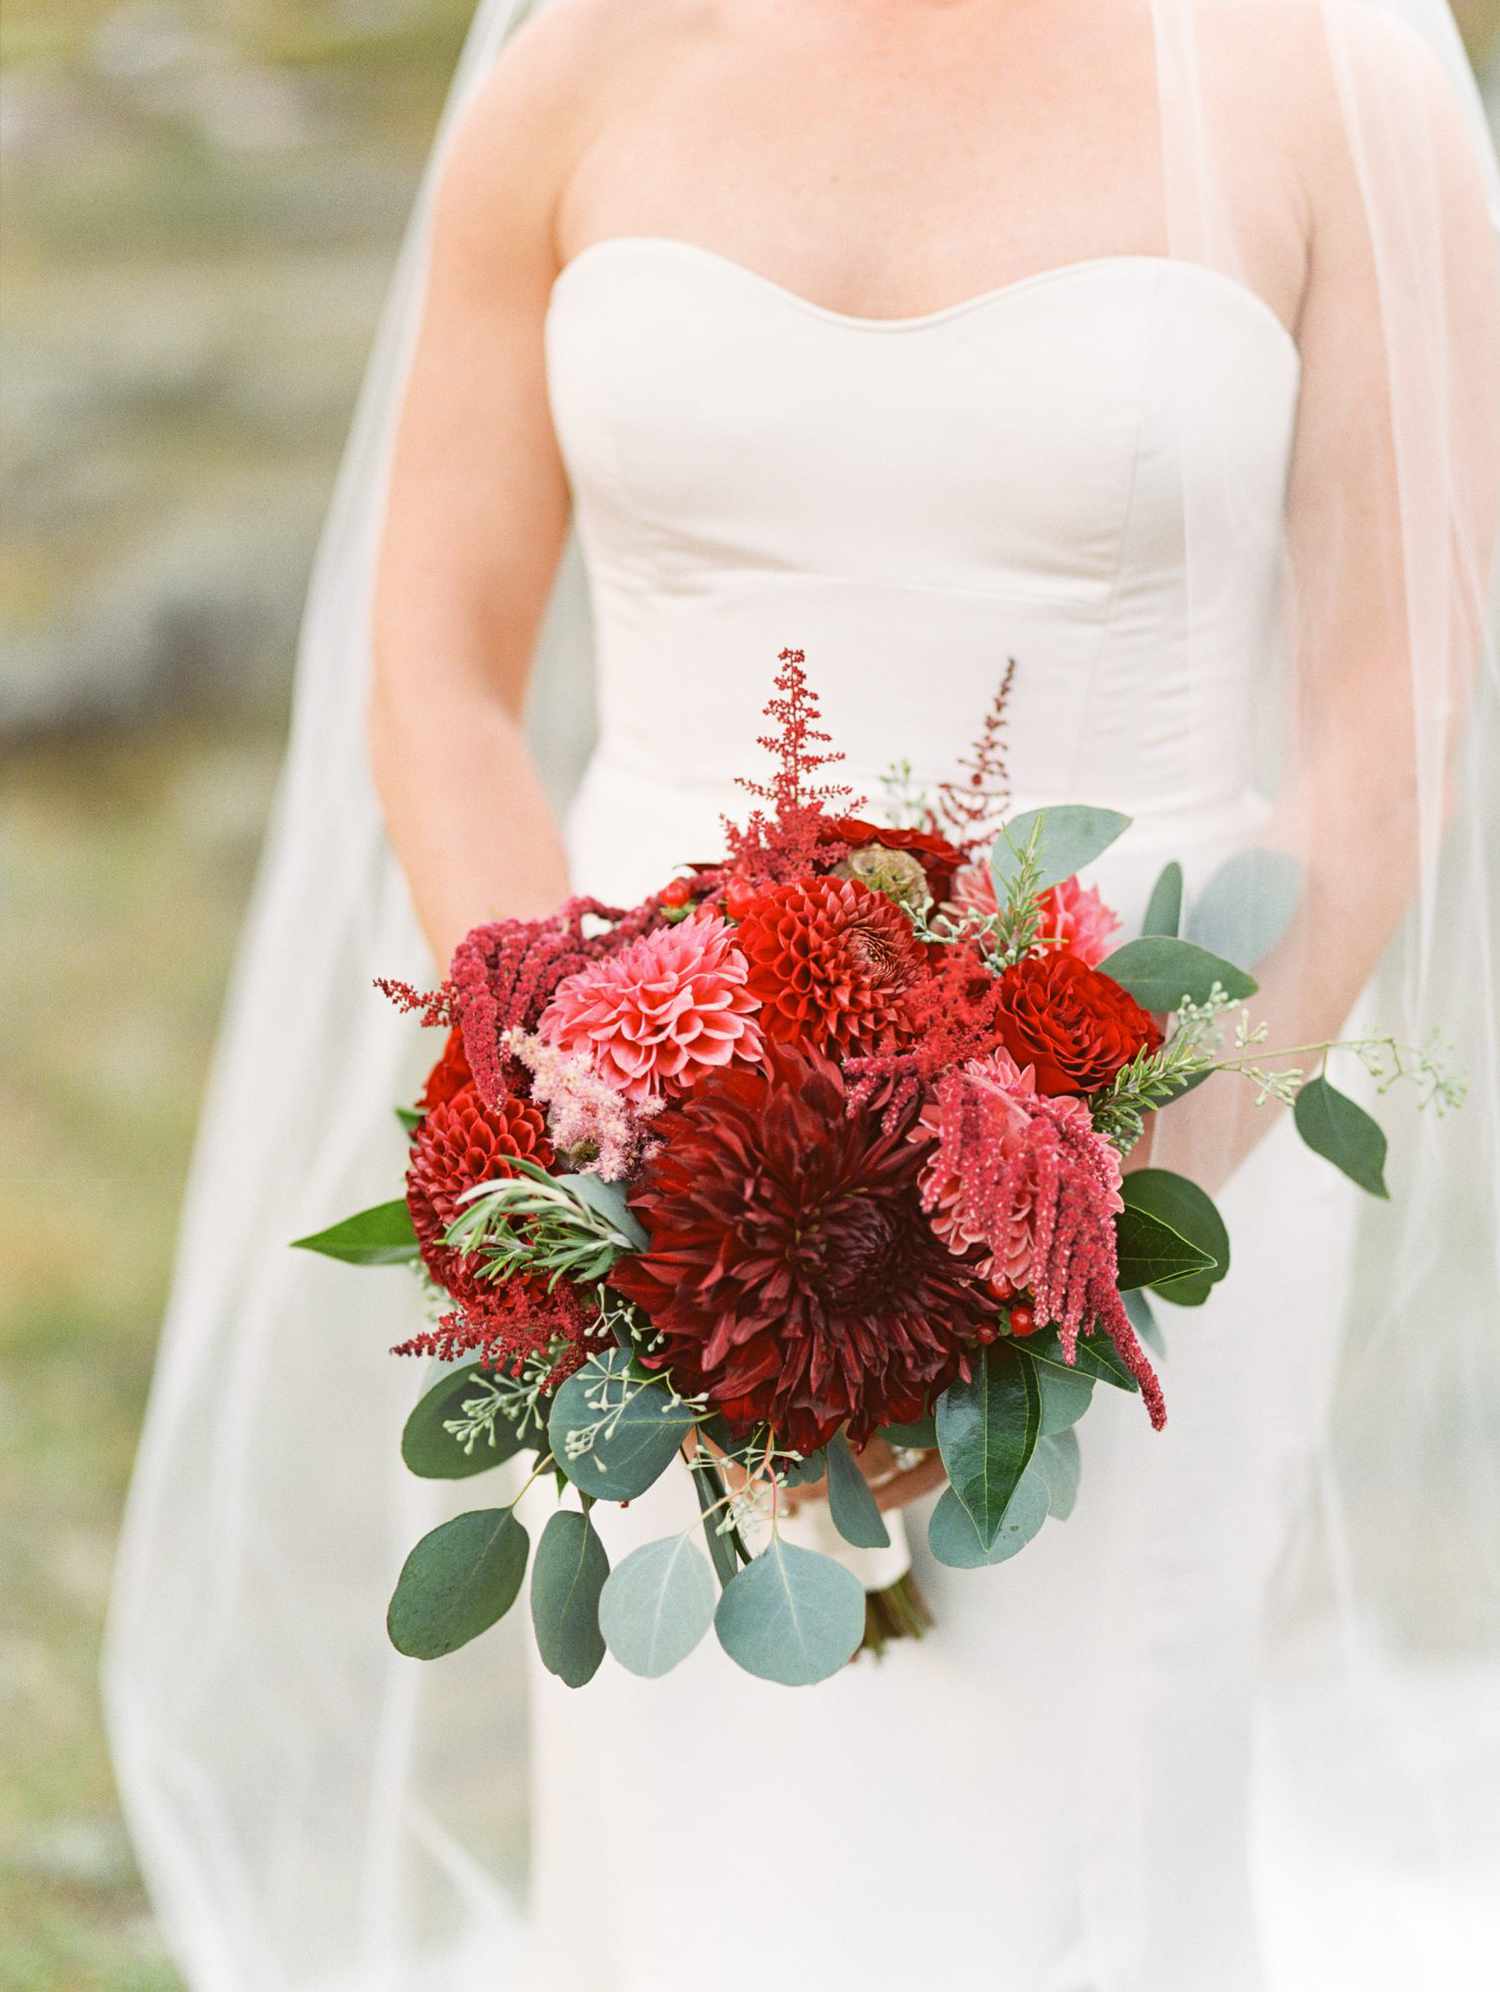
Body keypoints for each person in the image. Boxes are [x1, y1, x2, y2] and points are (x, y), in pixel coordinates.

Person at [107, 3, 1500, 1988]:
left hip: (1152, 1123)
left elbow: (1400, 715)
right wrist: (569, 1124)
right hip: (654, 1155)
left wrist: (1076, 1228)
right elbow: (434, 663)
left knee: (1075, 1847)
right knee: (700, 1839)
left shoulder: (1326, 74)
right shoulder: (574, 68)